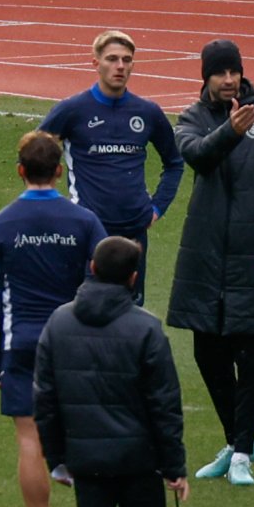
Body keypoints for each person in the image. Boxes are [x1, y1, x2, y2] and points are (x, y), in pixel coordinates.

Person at [0, 131, 129, 507]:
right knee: (87, 439)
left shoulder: (0, 224)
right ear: (61, 171)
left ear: (21, 170)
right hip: (75, 341)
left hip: (23, 344)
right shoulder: (83, 221)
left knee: (30, 439)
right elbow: (106, 281)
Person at [168, 38, 254, 486]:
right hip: (205, 260)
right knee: (206, 353)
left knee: (251, 356)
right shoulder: (192, 119)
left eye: (234, 72)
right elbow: (197, 157)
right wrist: (230, 131)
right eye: (219, 73)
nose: (228, 80)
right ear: (206, 77)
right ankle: (240, 442)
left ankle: (241, 456)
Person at [34, 236, 189, 507]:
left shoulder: (59, 323)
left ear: (92, 269)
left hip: (86, 460)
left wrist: (57, 459)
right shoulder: (146, 329)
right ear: (133, 278)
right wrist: (174, 466)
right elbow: (164, 406)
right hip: (139, 461)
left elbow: (45, 401)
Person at [39, 29, 185, 306]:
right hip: (88, 230)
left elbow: (175, 163)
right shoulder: (72, 110)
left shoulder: (147, 112)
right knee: (82, 309)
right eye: (112, 59)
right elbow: (35, 156)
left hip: (133, 232)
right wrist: (57, 206)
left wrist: (156, 209)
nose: (120, 66)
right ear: (96, 63)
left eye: (126, 60)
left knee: (129, 312)